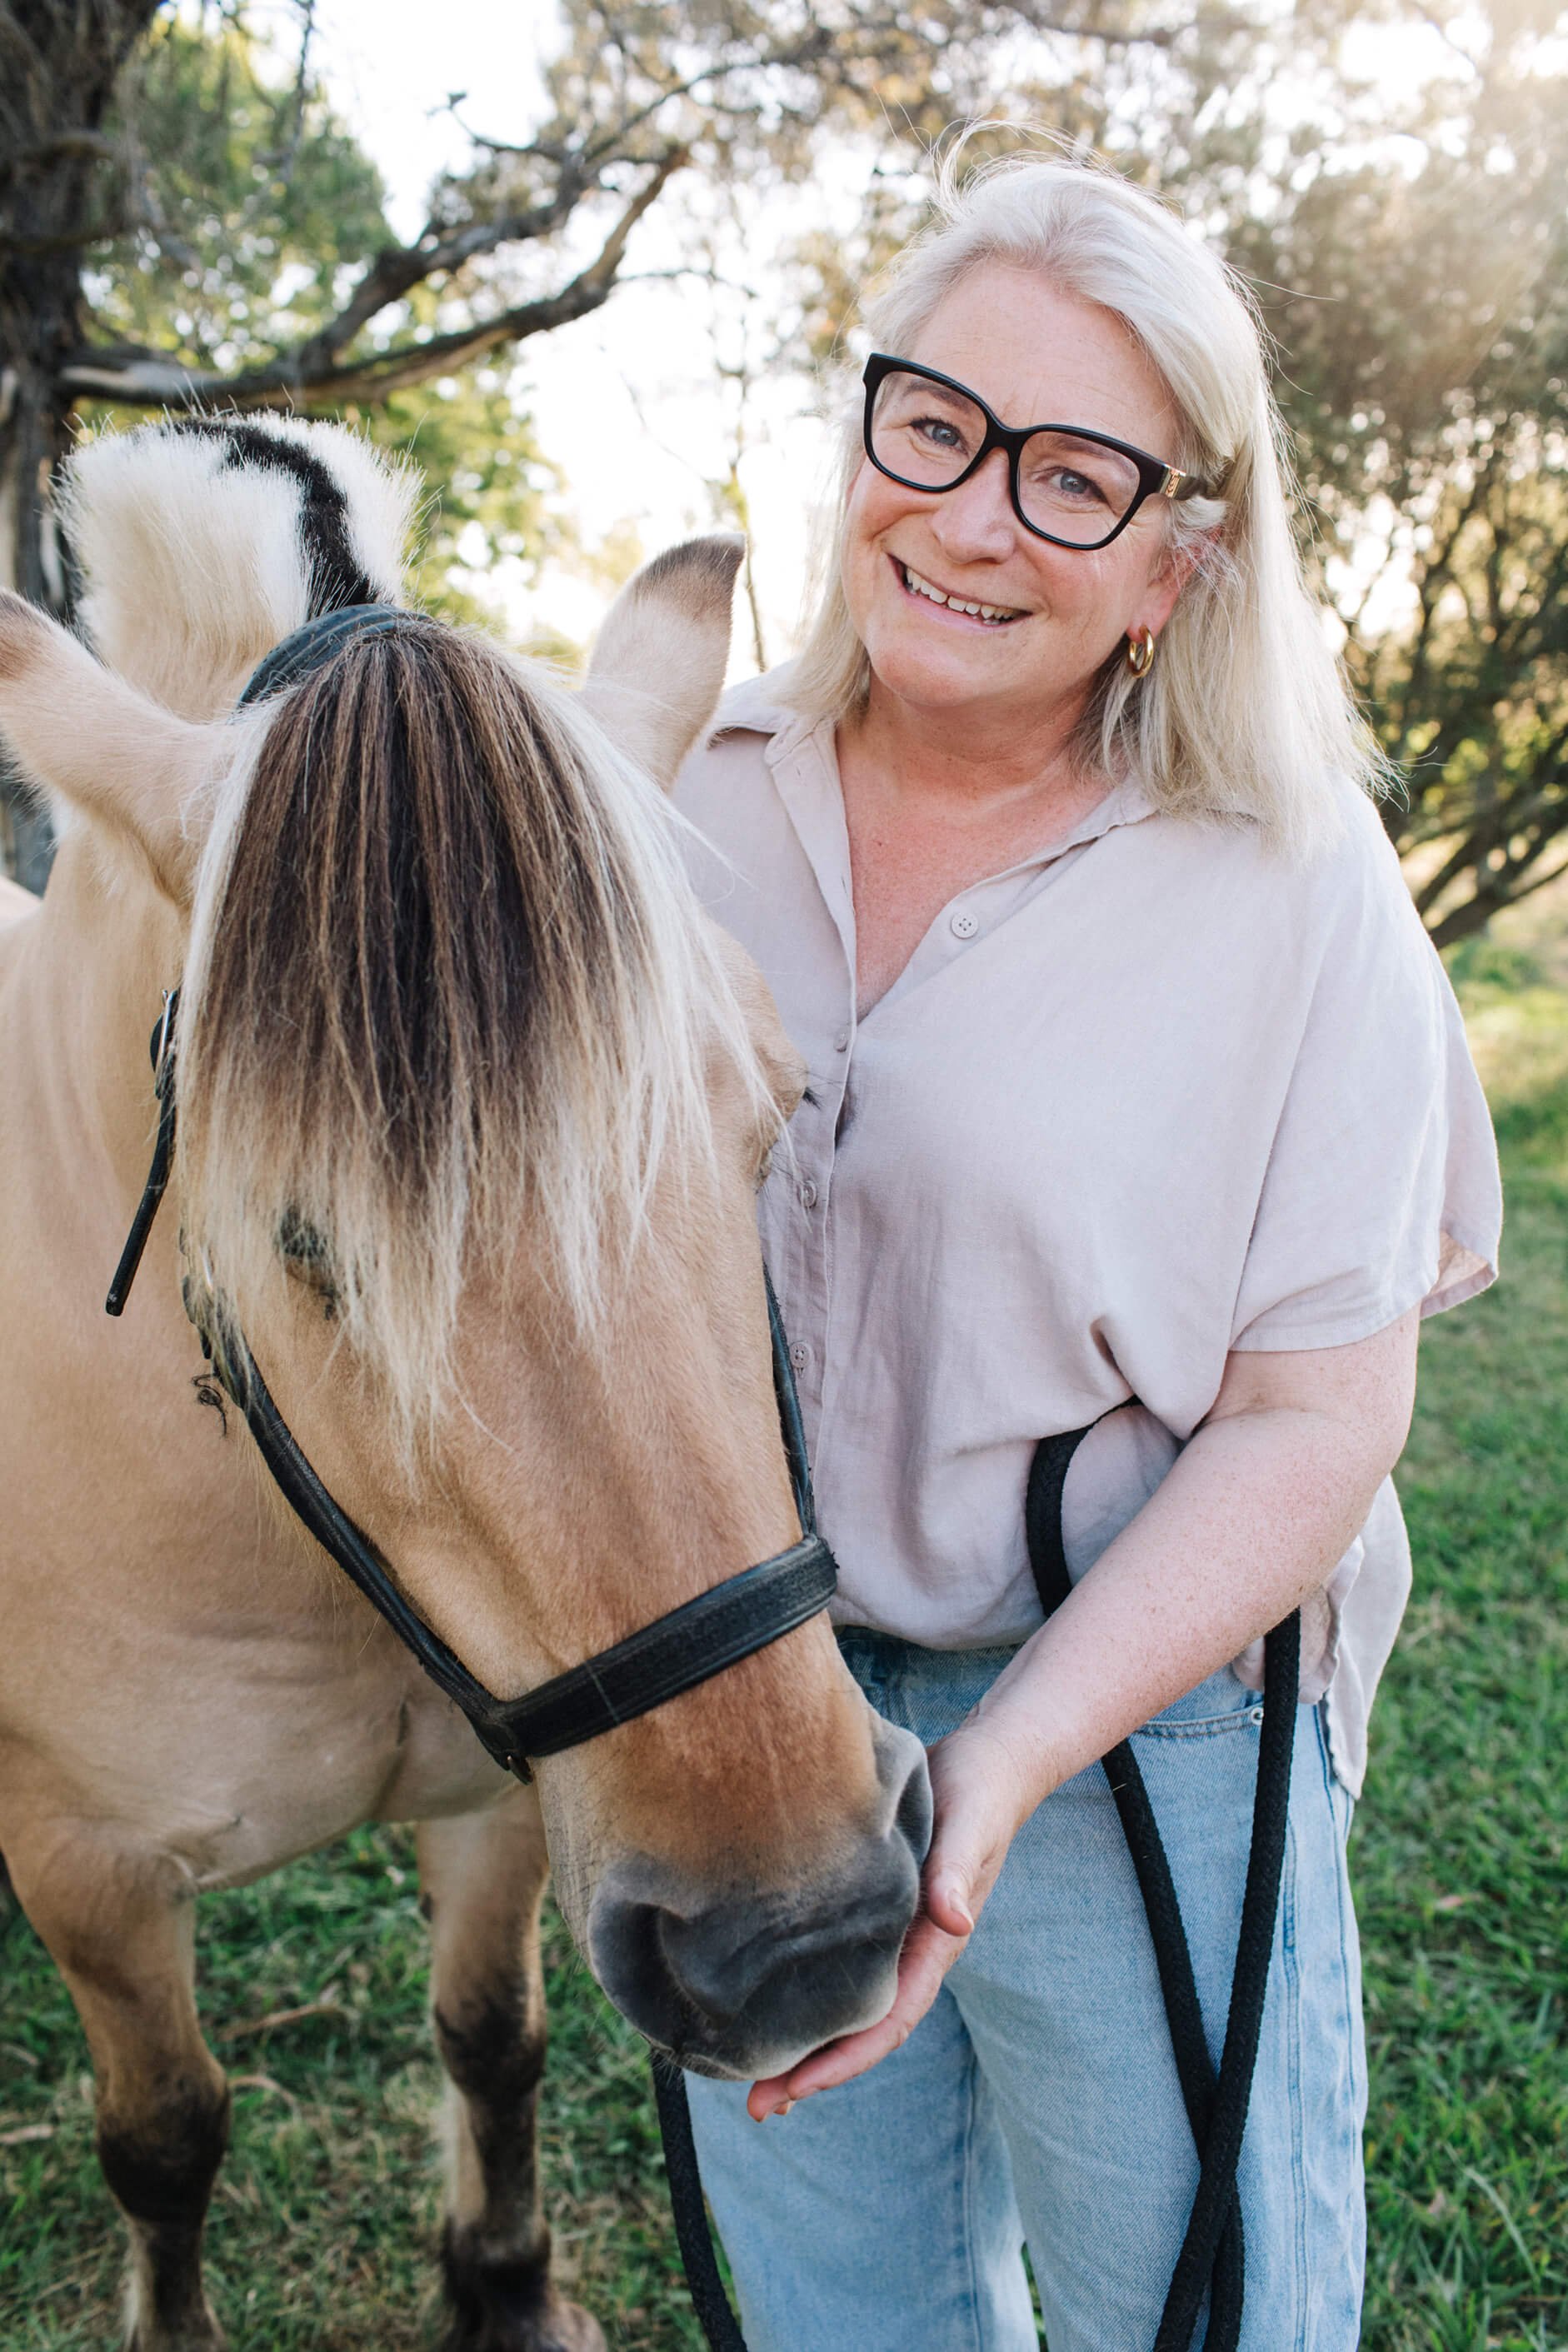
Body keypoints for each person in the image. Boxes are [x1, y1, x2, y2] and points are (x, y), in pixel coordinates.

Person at [671, 150, 1501, 2351]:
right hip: (761, 1721)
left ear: (1173, 559)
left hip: (1144, 1732)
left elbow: (1320, 1411)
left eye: (1069, 474)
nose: (963, 518)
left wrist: (1007, 1764)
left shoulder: (1289, 880)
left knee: (1198, 2313)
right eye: (930, 425)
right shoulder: (678, 799)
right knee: (839, 2311)